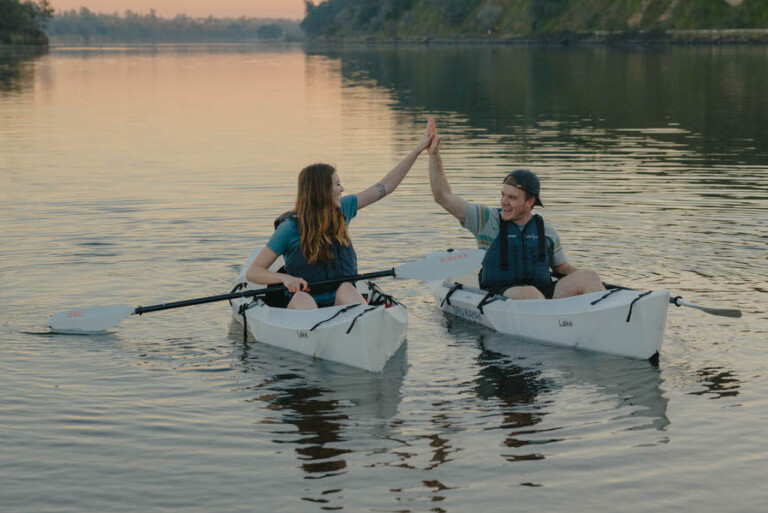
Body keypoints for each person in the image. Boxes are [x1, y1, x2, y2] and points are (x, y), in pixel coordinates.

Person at [246, 123, 434, 309]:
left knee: (347, 288)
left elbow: (386, 186)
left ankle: (360, 321)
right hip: (303, 304)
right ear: (322, 191)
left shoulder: (344, 208)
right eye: (337, 184)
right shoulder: (289, 229)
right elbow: (253, 272)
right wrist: (284, 278)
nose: (342, 189)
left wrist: (418, 150)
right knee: (303, 298)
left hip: (341, 299)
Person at [426, 118, 604, 300]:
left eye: (512, 198)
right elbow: (443, 197)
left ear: (530, 202)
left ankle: (604, 318)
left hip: (544, 295)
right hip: (501, 295)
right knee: (530, 293)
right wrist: (434, 155)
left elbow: (562, 268)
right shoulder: (486, 220)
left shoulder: (546, 231)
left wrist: (598, 284)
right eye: (503, 195)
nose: (504, 202)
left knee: (589, 276)